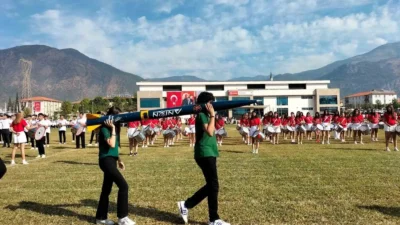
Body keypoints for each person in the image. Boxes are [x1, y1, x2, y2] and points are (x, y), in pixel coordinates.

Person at [177, 91, 230, 225]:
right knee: (214, 185)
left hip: (210, 152)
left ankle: (187, 205)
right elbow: (210, 131)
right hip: (204, 152)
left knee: (212, 185)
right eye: (211, 102)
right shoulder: (202, 115)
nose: (213, 105)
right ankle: (213, 219)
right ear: (206, 104)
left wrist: (212, 116)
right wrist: (212, 115)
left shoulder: (206, 115)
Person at [95, 106, 136, 225]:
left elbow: (115, 149)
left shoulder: (115, 129)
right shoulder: (105, 129)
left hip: (111, 160)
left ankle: (100, 218)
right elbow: (112, 144)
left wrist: (119, 160)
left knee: (106, 190)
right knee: (123, 186)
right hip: (105, 161)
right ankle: (122, 218)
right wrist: (112, 128)